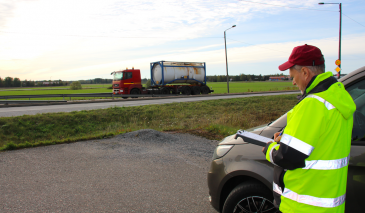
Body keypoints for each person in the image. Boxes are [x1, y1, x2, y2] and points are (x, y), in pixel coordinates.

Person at [262, 44, 356, 213]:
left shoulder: (313, 104)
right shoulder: (338, 98)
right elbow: (322, 143)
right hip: (329, 205)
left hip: (303, 205)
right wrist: (287, 138)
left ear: (305, 72)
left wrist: (270, 149)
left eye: (293, 75)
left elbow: (288, 157)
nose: (292, 81)